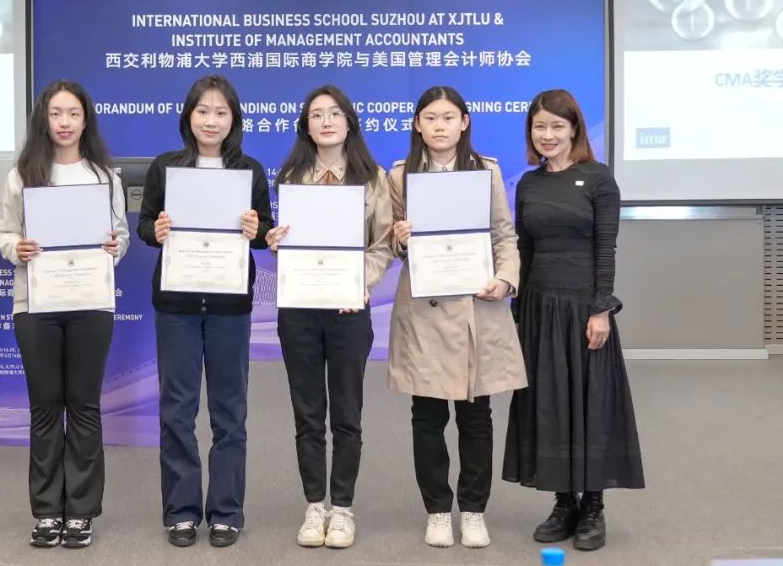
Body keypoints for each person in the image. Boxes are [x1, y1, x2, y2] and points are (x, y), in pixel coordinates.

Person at [502, 88, 644, 552]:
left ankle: (594, 506)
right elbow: (524, 250)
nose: (547, 135)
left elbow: (606, 248)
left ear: (574, 129)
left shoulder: (599, 179)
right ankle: (564, 502)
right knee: (548, 403)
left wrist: (602, 308)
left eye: (557, 126)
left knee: (591, 403)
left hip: (584, 309)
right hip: (540, 308)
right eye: (539, 126)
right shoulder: (529, 184)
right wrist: (517, 314)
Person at [136, 74, 273, 548]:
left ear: (233, 119)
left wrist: (256, 228)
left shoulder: (250, 171)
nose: (211, 120)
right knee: (176, 410)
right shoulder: (166, 167)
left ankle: (226, 511)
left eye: (220, 112)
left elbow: (266, 233)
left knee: (229, 412)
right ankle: (181, 511)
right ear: (188, 116)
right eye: (202, 111)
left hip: (229, 305)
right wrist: (157, 230)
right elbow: (144, 228)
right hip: (176, 304)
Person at [387, 86, 526, 549]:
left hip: (475, 305)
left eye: (449, 117)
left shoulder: (485, 171)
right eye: (430, 118)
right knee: (426, 415)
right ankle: (436, 510)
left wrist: (505, 279)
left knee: (476, 415)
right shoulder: (401, 175)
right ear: (417, 124)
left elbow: (504, 236)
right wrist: (401, 238)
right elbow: (390, 245)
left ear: (464, 122)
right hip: (424, 310)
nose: (440, 126)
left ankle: (473, 510)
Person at [0, 80, 130, 549]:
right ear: (44, 120)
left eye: (73, 113)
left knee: (85, 406)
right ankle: (48, 510)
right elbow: (4, 234)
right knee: (46, 407)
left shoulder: (103, 176)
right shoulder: (22, 175)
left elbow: (120, 237)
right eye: (56, 114)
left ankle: (82, 512)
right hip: (37, 305)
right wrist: (17, 247)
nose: (65, 122)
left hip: (91, 301)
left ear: (85, 120)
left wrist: (113, 247)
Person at [264, 85, 393, 549]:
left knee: (347, 413)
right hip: (299, 309)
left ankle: (342, 508)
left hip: (348, 310)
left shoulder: (373, 178)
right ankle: (314, 504)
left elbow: (383, 245)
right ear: (306, 126)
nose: (326, 121)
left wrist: (361, 280)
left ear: (349, 121)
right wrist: (275, 242)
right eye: (317, 115)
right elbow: (292, 244)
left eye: (335, 113)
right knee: (307, 413)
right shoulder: (291, 176)